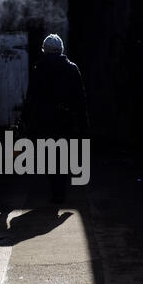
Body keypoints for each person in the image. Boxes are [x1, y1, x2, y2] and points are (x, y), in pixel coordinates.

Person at [22, 34, 89, 203]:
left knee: (48, 156)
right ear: (61, 50)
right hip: (65, 119)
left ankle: (55, 189)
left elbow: (31, 97)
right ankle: (60, 191)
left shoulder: (39, 68)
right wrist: (83, 125)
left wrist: (24, 120)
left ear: (45, 50)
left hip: (44, 120)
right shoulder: (72, 69)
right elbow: (80, 99)